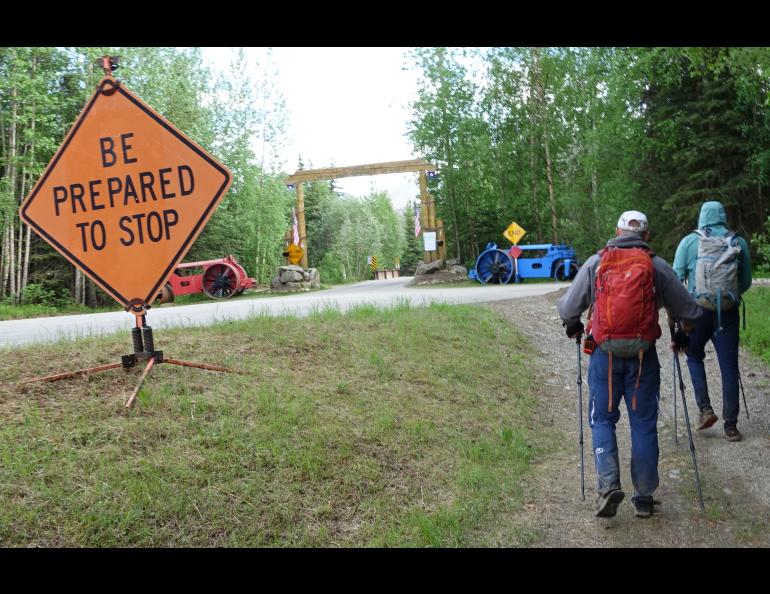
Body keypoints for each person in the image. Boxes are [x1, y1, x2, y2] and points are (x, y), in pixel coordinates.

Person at [558, 211, 702, 519]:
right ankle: (644, 497)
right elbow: (690, 312)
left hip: (603, 356)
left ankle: (609, 486)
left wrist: (573, 325)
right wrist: (681, 332)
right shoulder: (656, 266)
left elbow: (569, 307)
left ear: (617, 231)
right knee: (643, 424)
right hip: (642, 359)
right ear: (646, 235)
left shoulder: (597, 263)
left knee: (602, 420)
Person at [673, 201, 752, 442]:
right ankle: (731, 426)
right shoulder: (737, 242)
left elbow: (676, 279)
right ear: (723, 217)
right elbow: (746, 282)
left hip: (698, 311)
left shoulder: (689, 242)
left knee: (694, 355)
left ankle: (705, 408)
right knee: (729, 366)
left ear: (702, 218)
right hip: (727, 312)